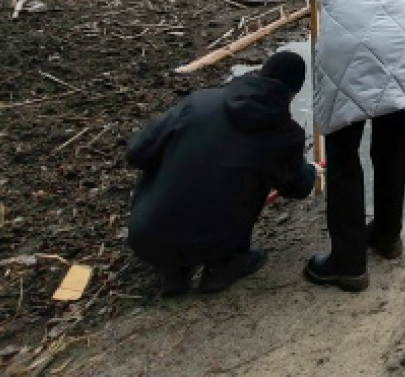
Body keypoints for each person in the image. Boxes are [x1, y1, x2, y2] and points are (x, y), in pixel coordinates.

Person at [283, 0, 405, 292]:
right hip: (402, 38)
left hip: (349, 43)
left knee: (343, 152)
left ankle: (348, 262)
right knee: (393, 148)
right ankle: (387, 236)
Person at [125, 51, 316, 297]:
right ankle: (225, 264)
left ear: (260, 74)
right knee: (254, 175)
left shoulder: (199, 102)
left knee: (168, 154)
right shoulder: (285, 134)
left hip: (146, 236)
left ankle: (174, 269)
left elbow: (136, 151)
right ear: (293, 94)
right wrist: (310, 171)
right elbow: (298, 187)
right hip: (214, 242)